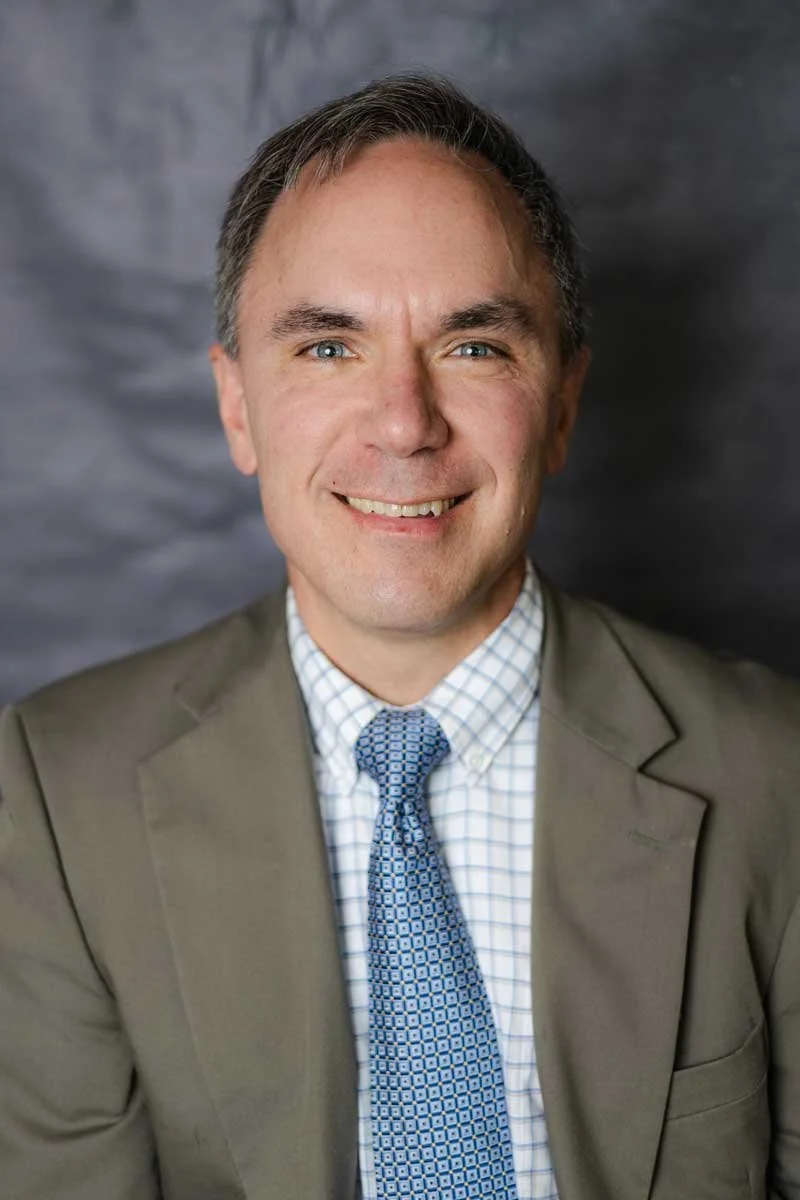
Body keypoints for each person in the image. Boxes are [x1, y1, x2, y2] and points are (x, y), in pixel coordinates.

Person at [0, 72, 798, 1200]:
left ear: (562, 403)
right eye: (328, 347)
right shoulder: (54, 799)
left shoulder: (778, 775)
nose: (402, 423)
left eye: (474, 347)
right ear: (237, 407)